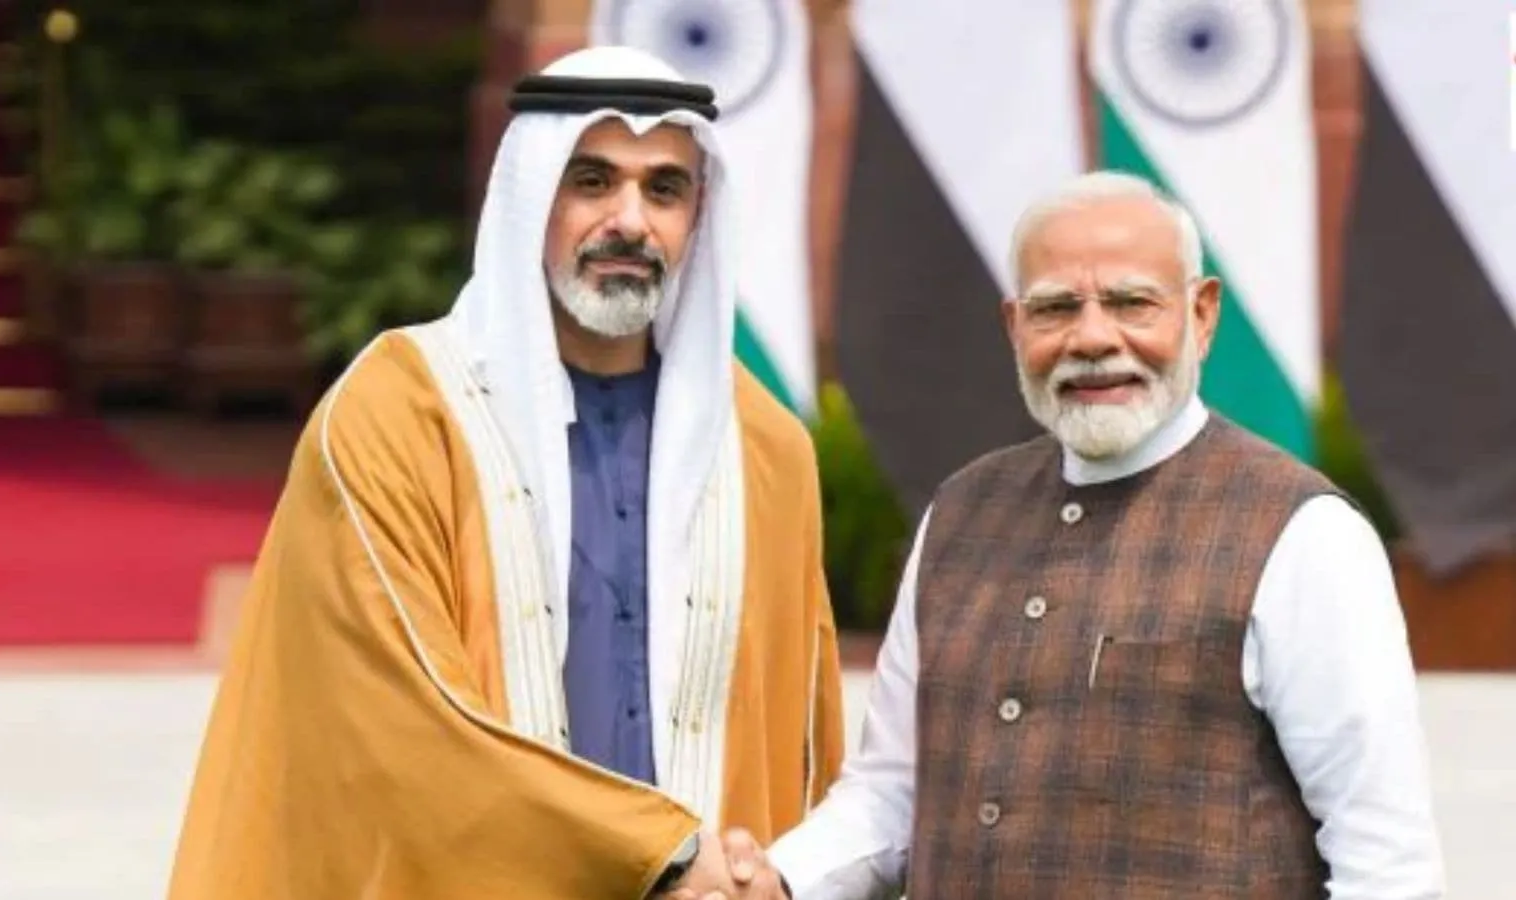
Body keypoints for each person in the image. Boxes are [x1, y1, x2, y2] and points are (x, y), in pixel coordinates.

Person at [167, 45, 844, 900]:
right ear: (531, 196)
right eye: (592, 181)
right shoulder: (398, 416)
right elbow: (400, 718)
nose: (630, 221)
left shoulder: (764, 448)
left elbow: (804, 740)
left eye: (664, 190)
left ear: (696, 217)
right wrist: (655, 852)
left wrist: (773, 876)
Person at [747, 171, 1445, 898]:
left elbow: (1387, 862)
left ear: (1202, 314)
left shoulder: (1304, 533)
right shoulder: (959, 511)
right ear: (1015, 327)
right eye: (1055, 309)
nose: (1091, 338)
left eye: (1131, 302)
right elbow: (892, 796)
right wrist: (774, 882)